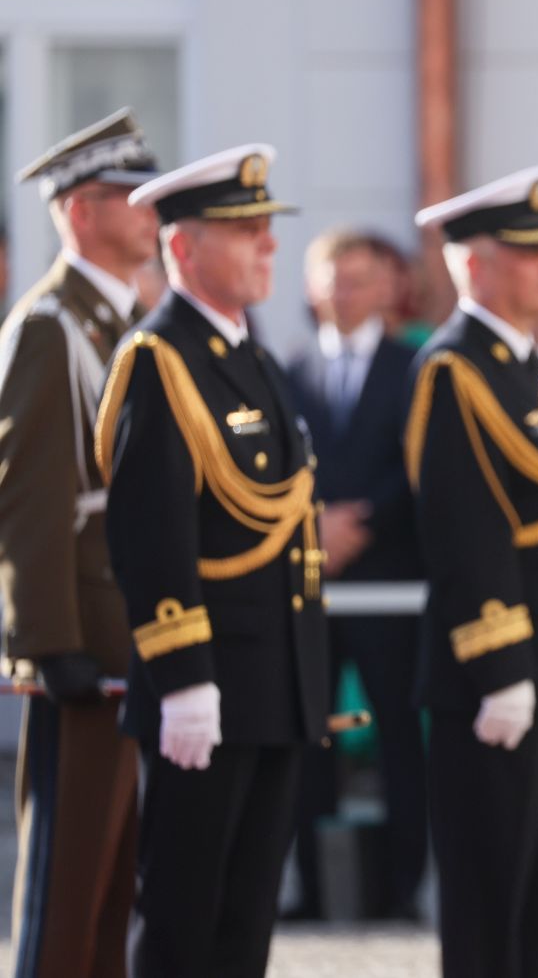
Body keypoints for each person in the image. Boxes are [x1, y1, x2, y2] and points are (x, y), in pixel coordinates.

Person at [97, 143, 330, 978]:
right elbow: (150, 536)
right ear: (184, 248)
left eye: (268, 228)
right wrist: (185, 680)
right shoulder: (161, 362)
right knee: (182, 922)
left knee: (243, 925)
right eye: (245, 231)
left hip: (272, 687)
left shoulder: (248, 357)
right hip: (208, 689)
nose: (269, 244)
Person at [0, 108, 161, 978]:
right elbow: (30, 496)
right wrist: (45, 640)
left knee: (111, 891)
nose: (148, 209)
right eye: (126, 194)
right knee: (64, 893)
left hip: (129, 633)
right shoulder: (49, 324)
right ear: (77, 211)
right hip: (82, 646)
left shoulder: (121, 317)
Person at [406, 165, 538, 977]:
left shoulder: (526, 366)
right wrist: (502, 667)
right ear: (472, 263)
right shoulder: (454, 368)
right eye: (529, 250)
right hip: (495, 677)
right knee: (487, 895)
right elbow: (464, 532)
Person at [284, 228, 426, 922]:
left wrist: (361, 519)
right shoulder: (291, 368)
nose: (344, 292)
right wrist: (315, 525)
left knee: (397, 734)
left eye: (358, 278)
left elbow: (420, 462)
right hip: (311, 584)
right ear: (312, 288)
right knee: (311, 735)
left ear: (385, 288)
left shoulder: (416, 365)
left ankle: (399, 890)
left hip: (390, 583)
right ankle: (313, 889)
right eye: (332, 278)